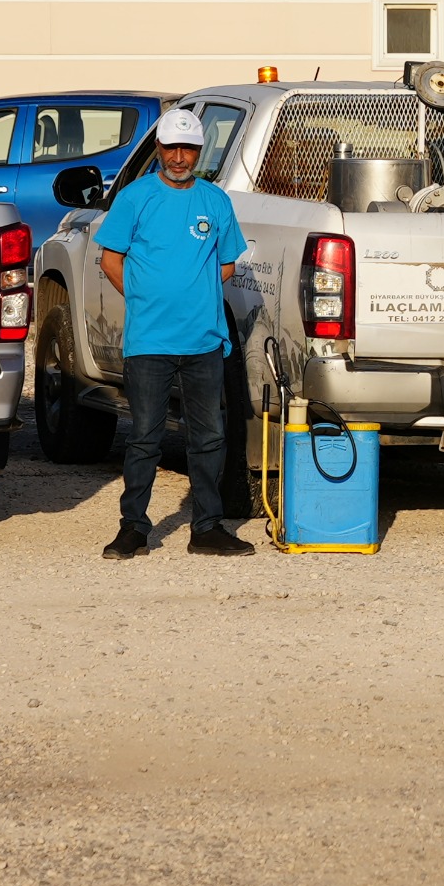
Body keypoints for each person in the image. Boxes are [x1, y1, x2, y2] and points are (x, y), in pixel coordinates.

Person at [97, 108, 251, 559]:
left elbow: (228, 262)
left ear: (200, 152)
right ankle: (133, 528)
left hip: (204, 339)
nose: (180, 158)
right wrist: (147, 298)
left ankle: (206, 527)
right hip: (149, 341)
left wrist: (192, 294)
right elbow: (111, 259)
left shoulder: (215, 200)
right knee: (145, 436)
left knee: (210, 437)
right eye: (171, 148)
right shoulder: (135, 198)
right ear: (159, 149)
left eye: (188, 149)